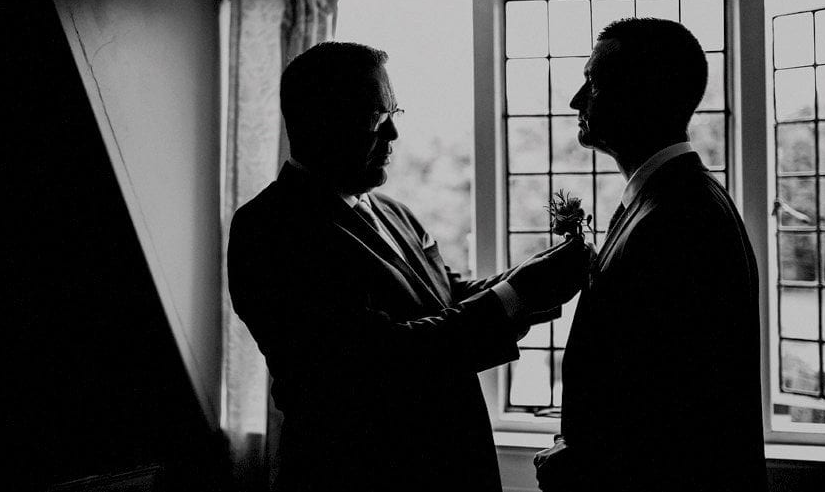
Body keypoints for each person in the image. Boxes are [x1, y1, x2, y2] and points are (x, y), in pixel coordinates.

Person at [227, 42, 590, 492]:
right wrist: (518, 294)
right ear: (321, 122)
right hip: (362, 475)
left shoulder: (392, 209)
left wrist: (534, 276)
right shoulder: (270, 229)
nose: (395, 134)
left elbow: (447, 297)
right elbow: (383, 360)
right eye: (379, 119)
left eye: (396, 112)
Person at [534, 19, 766, 492]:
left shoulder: (680, 215)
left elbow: (682, 393)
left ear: (644, 95)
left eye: (593, 83)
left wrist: (588, 459)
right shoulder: (663, 198)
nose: (577, 100)